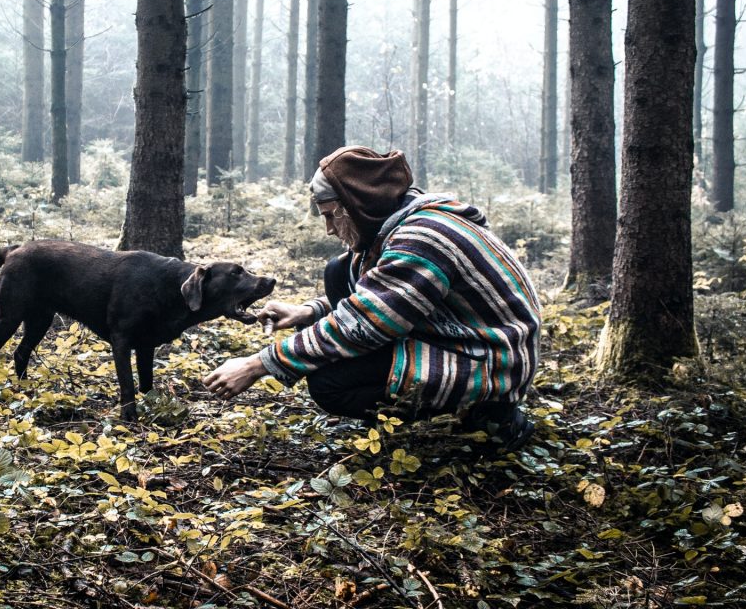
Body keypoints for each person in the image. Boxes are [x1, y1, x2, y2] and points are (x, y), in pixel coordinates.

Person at [203, 145, 541, 451]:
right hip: (456, 337)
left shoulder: (422, 239)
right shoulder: (404, 224)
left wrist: (257, 364)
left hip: (492, 361)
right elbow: (382, 297)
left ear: (355, 205)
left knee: (329, 383)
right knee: (339, 271)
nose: (329, 229)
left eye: (330, 214)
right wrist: (306, 312)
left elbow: (363, 323)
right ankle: (410, 397)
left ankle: (493, 417)